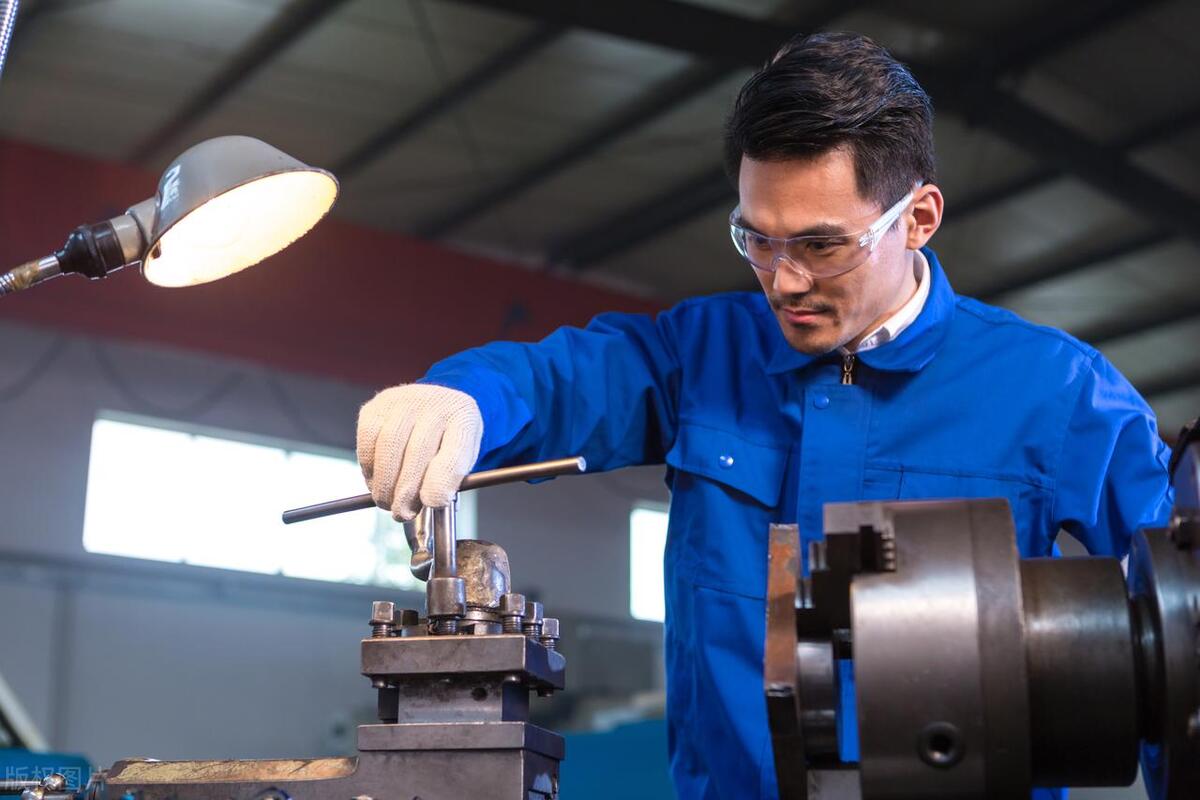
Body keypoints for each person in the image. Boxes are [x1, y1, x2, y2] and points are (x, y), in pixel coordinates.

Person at [356, 31, 1173, 800]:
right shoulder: (701, 355)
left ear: (918, 219)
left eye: (821, 246)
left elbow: (1180, 630)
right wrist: (463, 397)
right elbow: (561, 379)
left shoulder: (1056, 392)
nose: (783, 282)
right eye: (757, 238)